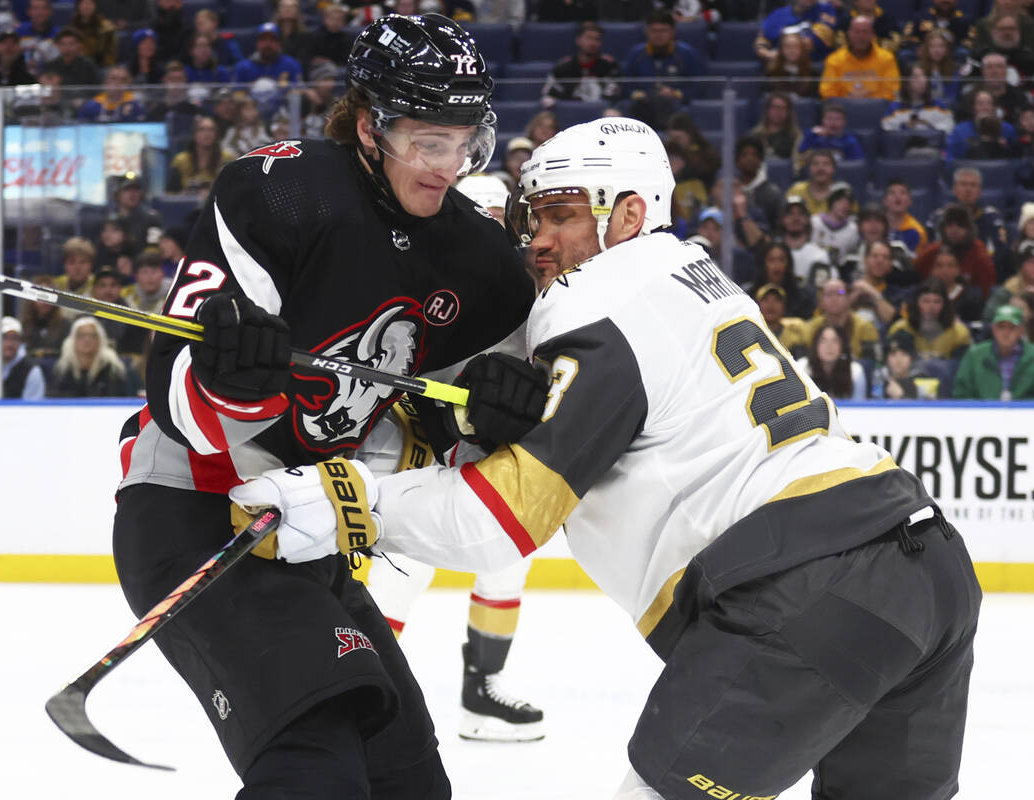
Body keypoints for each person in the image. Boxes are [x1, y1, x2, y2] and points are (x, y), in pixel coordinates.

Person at [236, 116, 982, 800]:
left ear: (628, 214)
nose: (537, 239)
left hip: (804, 589)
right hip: (928, 567)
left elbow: (504, 519)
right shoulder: (703, 279)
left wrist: (351, 502)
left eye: (561, 215)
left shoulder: (595, 297)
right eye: (534, 218)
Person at [110, 15, 538, 798]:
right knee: (316, 755)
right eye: (426, 142)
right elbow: (179, 403)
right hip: (195, 511)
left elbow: (435, 434)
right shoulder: (283, 193)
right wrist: (232, 380)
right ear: (372, 126)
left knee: (405, 778)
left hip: (304, 533)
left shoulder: (481, 262)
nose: (447, 167)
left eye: (464, 144)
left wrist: (485, 420)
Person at [365, 170, 545, 744]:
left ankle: (482, 693)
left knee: (509, 561)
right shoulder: (421, 274)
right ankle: (363, 698)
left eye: (499, 219)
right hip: (426, 454)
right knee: (402, 576)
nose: (489, 230)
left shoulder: (530, 289)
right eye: (479, 216)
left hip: (499, 455)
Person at [953, 303, 1034, 399]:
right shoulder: (974, 355)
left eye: (1011, 327)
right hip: (983, 413)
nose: (1006, 333)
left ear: (1021, 330)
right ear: (993, 329)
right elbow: (961, 393)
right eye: (1001, 327)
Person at [540, 21, 621, 109]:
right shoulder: (563, 67)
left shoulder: (609, 65)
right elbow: (549, 94)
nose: (593, 43)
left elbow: (613, 92)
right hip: (569, 111)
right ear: (578, 40)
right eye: (589, 38)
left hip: (599, 111)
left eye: (597, 39)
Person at [887, 276, 972, 359]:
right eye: (926, 301)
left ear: (945, 305)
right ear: (916, 303)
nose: (931, 307)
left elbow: (960, 368)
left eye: (937, 301)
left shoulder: (959, 333)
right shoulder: (900, 329)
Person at [819, 15, 901, 100]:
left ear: (872, 35)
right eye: (857, 32)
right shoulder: (834, 60)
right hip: (844, 108)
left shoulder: (886, 58)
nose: (861, 37)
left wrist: (867, 100)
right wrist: (848, 99)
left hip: (877, 108)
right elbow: (827, 92)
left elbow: (891, 90)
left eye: (865, 32)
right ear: (849, 34)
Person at [49, 315, 129, 397]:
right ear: (73, 340)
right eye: (81, 335)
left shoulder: (113, 368)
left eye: (92, 335)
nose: (87, 340)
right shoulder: (62, 369)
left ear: (100, 340)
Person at [796, 320, 868, 399]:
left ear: (843, 346)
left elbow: (860, 406)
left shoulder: (855, 371)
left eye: (835, 341)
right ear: (815, 346)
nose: (829, 346)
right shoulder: (802, 367)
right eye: (823, 341)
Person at [167, 114, 235, 194]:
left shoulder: (227, 159)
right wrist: (186, 194)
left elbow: (234, 192)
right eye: (202, 129)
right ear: (194, 135)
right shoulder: (181, 160)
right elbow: (170, 194)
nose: (207, 134)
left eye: (211, 130)